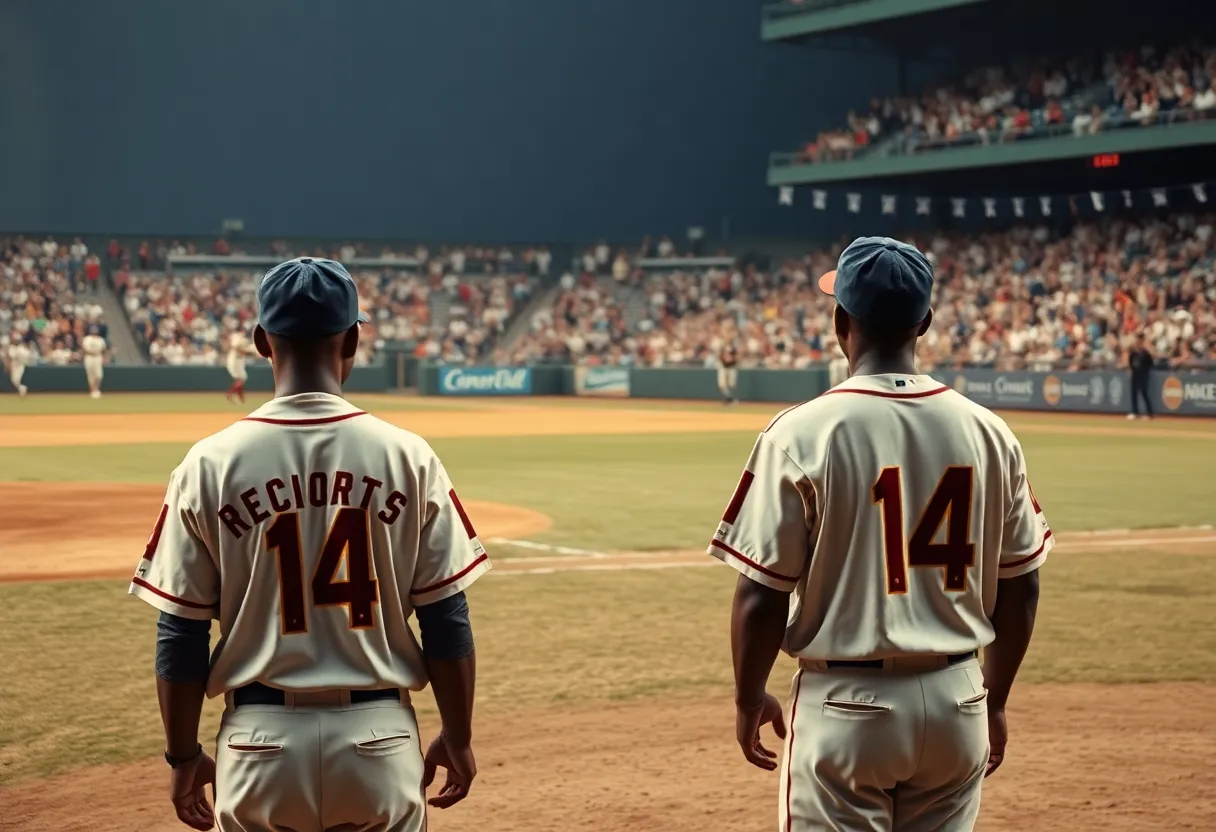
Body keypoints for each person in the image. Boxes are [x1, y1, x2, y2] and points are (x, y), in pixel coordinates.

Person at [128, 257, 489, 832]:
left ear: (259, 342)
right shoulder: (409, 457)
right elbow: (446, 621)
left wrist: (182, 756)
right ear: (353, 339)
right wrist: (459, 736)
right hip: (380, 744)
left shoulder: (208, 463)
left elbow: (181, 632)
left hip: (257, 748)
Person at [710, 237, 1050, 832]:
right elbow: (1022, 587)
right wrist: (992, 701)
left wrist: (748, 697)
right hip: (958, 697)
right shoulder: (992, 432)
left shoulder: (800, 434)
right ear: (925, 322)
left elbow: (761, 593)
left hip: (845, 707)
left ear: (841, 320)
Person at [1127, 334, 1154, 420]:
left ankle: (1149, 413)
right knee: (1133, 393)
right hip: (1135, 375)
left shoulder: (1145, 354)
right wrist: (1131, 370)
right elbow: (1130, 362)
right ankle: (1135, 412)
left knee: (1144, 393)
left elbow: (1150, 364)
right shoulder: (1133, 353)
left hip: (1143, 375)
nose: (1137, 343)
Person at [225, 331, 252, 403]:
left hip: (237, 360)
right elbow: (236, 347)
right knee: (242, 379)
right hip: (235, 360)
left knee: (241, 380)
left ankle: (241, 398)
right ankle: (230, 394)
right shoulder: (238, 338)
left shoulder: (242, 340)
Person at [82, 326, 108, 399]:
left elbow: (104, 349)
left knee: (99, 375)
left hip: (98, 356)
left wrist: (105, 358)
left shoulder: (100, 339)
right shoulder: (87, 339)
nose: (94, 333)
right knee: (90, 375)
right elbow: (84, 348)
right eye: (93, 332)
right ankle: (93, 391)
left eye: (95, 332)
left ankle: (96, 389)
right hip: (89, 357)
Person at [717, 339, 740, 404]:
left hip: (731, 367)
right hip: (723, 367)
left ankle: (732, 399)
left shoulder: (733, 348)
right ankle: (729, 398)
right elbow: (720, 356)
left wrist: (732, 358)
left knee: (732, 384)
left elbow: (736, 357)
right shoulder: (722, 348)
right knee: (722, 385)